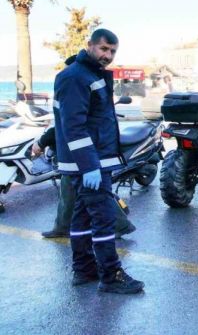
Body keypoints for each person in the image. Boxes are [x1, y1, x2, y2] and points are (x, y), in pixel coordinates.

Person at [53, 28, 144, 294]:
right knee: (103, 219)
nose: (108, 55)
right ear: (90, 45)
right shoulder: (75, 77)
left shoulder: (90, 75)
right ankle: (111, 275)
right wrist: (90, 165)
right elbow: (74, 126)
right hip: (90, 164)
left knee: (81, 219)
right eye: (104, 49)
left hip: (92, 161)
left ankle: (84, 270)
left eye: (113, 51)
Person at [31, 126, 136, 239]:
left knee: (96, 193)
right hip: (80, 150)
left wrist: (42, 142)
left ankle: (121, 226)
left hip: (82, 150)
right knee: (68, 191)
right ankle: (63, 227)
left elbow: (68, 122)